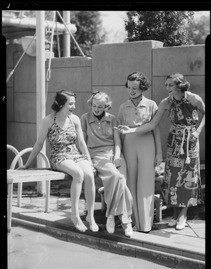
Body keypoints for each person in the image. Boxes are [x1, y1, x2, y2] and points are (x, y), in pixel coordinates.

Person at [118, 73, 205, 230]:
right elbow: (152, 125)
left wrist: (198, 131)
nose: (167, 88)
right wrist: (131, 131)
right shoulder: (166, 102)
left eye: (170, 85)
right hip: (173, 140)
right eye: (166, 85)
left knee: (188, 177)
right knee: (172, 177)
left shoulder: (194, 98)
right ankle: (174, 214)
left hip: (190, 141)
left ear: (180, 85)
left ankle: (183, 215)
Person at [20, 90, 99, 233]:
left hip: (76, 155)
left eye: (74, 103)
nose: (74, 106)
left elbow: (81, 143)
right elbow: (39, 144)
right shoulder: (48, 121)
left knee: (89, 174)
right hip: (59, 156)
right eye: (71, 103)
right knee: (78, 173)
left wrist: (89, 161)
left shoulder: (74, 119)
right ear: (61, 104)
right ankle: (75, 215)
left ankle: (90, 216)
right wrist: (27, 164)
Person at [80, 91, 133, 237]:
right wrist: (88, 161)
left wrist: (117, 157)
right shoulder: (84, 118)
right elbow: (82, 142)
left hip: (114, 154)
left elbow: (117, 142)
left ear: (106, 106)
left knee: (121, 180)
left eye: (100, 107)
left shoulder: (113, 119)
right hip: (97, 154)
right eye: (94, 106)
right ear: (91, 104)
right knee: (116, 176)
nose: (96, 109)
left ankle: (113, 216)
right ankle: (124, 220)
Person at [117, 72, 163, 233]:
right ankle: (133, 222)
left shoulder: (151, 104)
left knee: (146, 184)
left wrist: (159, 154)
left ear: (142, 87)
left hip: (147, 144)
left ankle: (145, 225)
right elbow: (119, 132)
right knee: (131, 183)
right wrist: (119, 154)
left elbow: (156, 129)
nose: (132, 91)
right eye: (129, 87)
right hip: (129, 145)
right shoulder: (123, 107)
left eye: (135, 88)